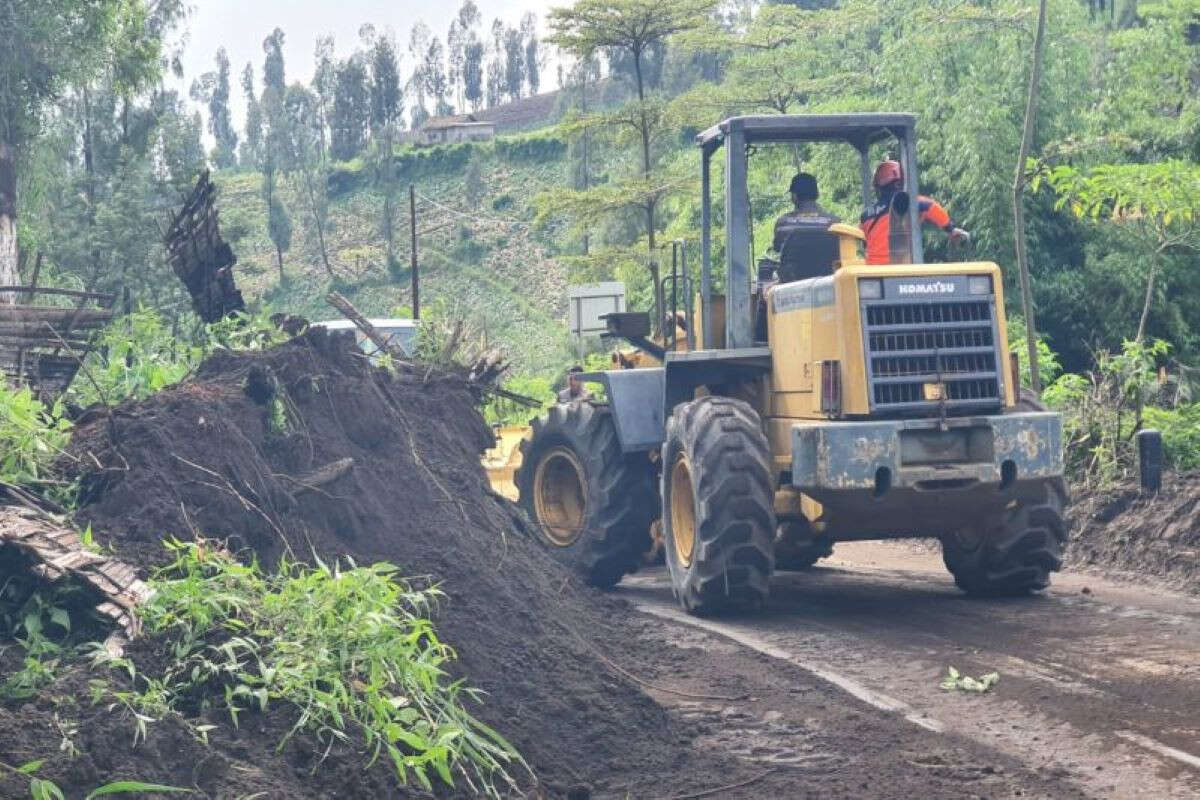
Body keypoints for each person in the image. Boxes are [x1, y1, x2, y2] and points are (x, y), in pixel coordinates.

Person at [861, 160, 970, 265]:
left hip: (873, 272)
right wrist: (951, 229)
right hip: (899, 269)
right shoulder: (908, 202)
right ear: (899, 183)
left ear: (878, 187)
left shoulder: (866, 215)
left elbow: (863, 240)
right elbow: (932, 207)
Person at [771, 172, 841, 283]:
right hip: (828, 282)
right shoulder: (835, 222)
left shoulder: (783, 223)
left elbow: (777, 248)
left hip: (791, 285)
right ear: (816, 194)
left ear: (794, 196)